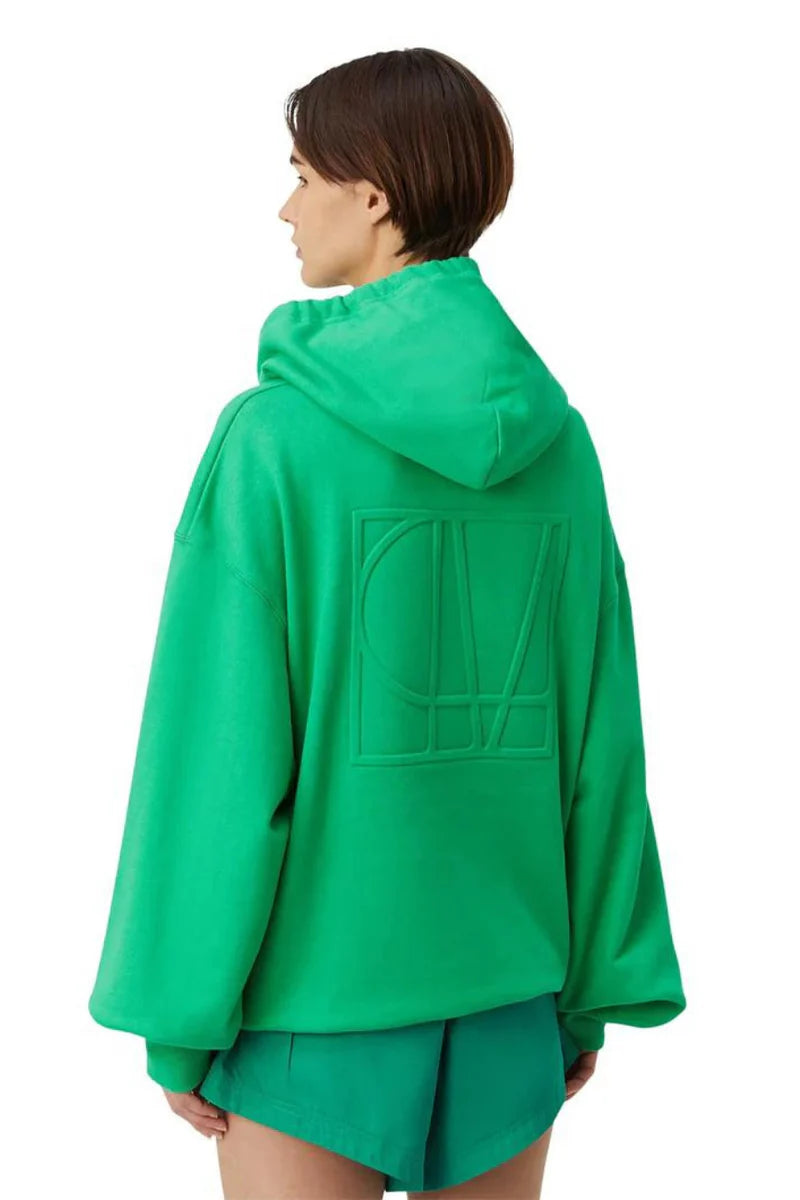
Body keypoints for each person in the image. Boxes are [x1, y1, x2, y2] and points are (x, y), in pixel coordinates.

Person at [87, 46, 686, 1200]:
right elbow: (598, 743)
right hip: (511, 995)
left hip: (309, 1013)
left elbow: (215, 757)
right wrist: (589, 989)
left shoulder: (270, 442)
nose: (286, 207)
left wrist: (176, 1016)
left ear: (371, 197)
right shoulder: (558, 447)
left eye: (302, 174)